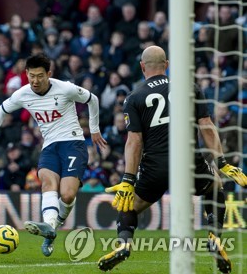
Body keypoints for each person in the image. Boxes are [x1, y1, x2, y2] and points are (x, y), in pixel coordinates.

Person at [97, 46, 247, 273]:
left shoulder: (134, 97)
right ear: (166, 65)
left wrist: (128, 179)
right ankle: (214, 237)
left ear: (142, 67)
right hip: (189, 161)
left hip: (154, 166)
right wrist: (223, 163)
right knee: (214, 185)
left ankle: (124, 243)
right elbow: (206, 126)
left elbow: (134, 142)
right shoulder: (190, 87)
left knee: (129, 205)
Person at [0, 53, 107, 256]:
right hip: (49, 146)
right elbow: (0, 111)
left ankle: (52, 228)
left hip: (73, 143)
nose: (35, 81)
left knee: (67, 193)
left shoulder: (65, 88)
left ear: (49, 73)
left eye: (40, 76)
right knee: (47, 181)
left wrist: (94, 129)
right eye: (31, 76)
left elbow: (93, 99)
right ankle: (48, 225)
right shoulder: (23, 94)